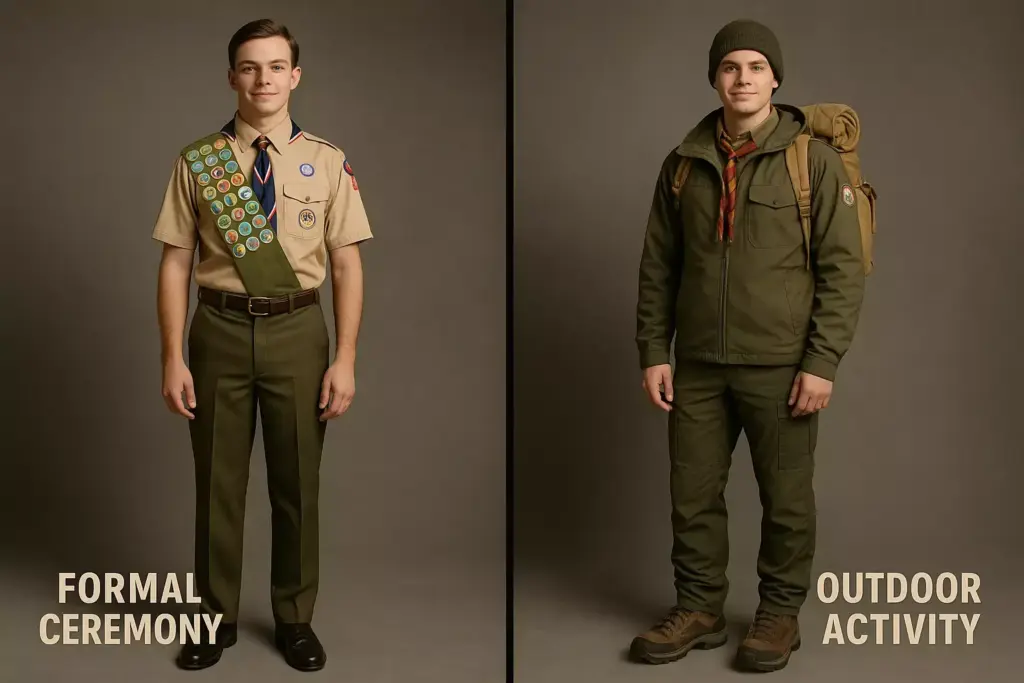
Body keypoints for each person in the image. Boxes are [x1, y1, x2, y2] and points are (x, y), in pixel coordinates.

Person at [630, 19, 865, 673]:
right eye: (730, 66)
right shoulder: (683, 163)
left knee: (785, 498)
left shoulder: (809, 160)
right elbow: (658, 264)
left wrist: (822, 362)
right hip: (699, 365)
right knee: (692, 493)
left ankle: (778, 616)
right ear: (714, 77)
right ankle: (700, 606)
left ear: (775, 78)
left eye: (756, 66)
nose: (742, 78)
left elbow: (843, 270)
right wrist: (654, 348)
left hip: (783, 365)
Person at [151, 18, 373, 672]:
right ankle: (212, 617)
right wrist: (170, 356)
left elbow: (349, 267)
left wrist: (346, 357)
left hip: (299, 330)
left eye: (276, 66)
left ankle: (294, 617)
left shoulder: (327, 160)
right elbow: (173, 265)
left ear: (295, 76)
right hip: (216, 329)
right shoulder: (200, 161)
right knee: (217, 483)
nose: (263, 79)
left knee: (297, 483)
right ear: (231, 77)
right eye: (250, 67)